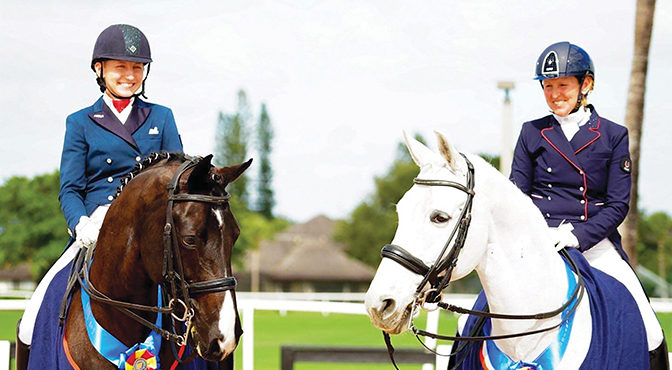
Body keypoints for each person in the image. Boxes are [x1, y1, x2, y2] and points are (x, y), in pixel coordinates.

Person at [15, 24, 183, 368]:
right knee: (32, 319)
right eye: (121, 66)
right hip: (95, 229)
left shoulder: (161, 118)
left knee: (196, 316)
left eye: (137, 68)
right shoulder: (80, 122)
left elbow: (177, 183)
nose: (130, 75)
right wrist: (81, 225)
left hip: (149, 233)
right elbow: (71, 188)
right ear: (100, 69)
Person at [509, 41, 666, 361]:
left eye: (563, 85)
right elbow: (516, 195)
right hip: (539, 240)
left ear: (586, 84)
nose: (555, 94)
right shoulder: (531, 132)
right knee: (476, 312)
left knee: (648, 324)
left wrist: (575, 236)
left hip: (593, 241)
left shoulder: (612, 135)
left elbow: (618, 205)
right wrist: (537, 234)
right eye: (547, 86)